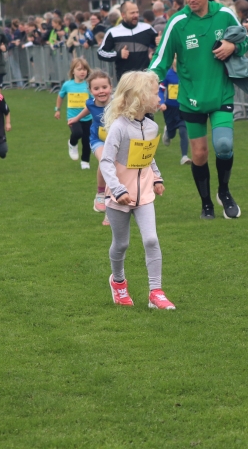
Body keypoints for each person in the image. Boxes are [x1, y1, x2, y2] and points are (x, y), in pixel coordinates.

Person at [149, 0, 248, 220]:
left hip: (221, 93)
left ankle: (224, 192)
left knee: (224, 146)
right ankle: (206, 204)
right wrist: (148, 81)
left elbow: (245, 41)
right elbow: (161, 58)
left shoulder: (225, 14)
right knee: (199, 154)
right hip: (191, 98)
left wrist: (233, 46)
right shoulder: (178, 22)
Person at [99, 70, 174, 310]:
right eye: (155, 93)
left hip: (145, 195)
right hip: (119, 197)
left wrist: (156, 178)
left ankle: (156, 292)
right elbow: (106, 162)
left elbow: (148, 156)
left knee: (151, 239)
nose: (159, 96)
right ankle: (118, 282)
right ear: (140, 97)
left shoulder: (151, 127)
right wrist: (118, 189)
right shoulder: (119, 128)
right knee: (121, 244)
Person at [68, 70, 114, 224]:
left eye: (104, 87)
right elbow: (89, 108)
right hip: (97, 139)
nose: (101, 91)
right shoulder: (90, 102)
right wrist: (76, 118)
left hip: (115, 141)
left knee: (116, 174)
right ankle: (100, 193)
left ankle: (110, 212)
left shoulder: (117, 103)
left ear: (111, 87)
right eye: (96, 88)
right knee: (105, 161)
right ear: (90, 90)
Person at [97, 1, 158, 79]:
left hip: (145, 78)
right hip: (125, 80)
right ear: (123, 15)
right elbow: (100, 53)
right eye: (132, 13)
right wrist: (118, 54)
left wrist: (159, 42)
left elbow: (160, 46)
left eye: (137, 12)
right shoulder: (113, 32)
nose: (136, 15)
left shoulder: (147, 28)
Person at [56, 57, 92, 169]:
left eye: (84, 69)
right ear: (73, 71)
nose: (82, 72)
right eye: (79, 69)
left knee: (87, 141)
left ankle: (85, 161)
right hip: (72, 117)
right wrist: (57, 109)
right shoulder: (67, 85)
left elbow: (93, 99)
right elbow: (60, 96)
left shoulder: (88, 85)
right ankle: (72, 143)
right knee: (77, 133)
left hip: (87, 117)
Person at [157, 56, 190, 165]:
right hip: (170, 109)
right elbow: (160, 90)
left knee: (183, 131)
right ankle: (168, 131)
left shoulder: (185, 74)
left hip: (183, 108)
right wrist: (162, 102)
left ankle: (184, 156)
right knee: (172, 134)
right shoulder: (167, 75)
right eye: (175, 59)